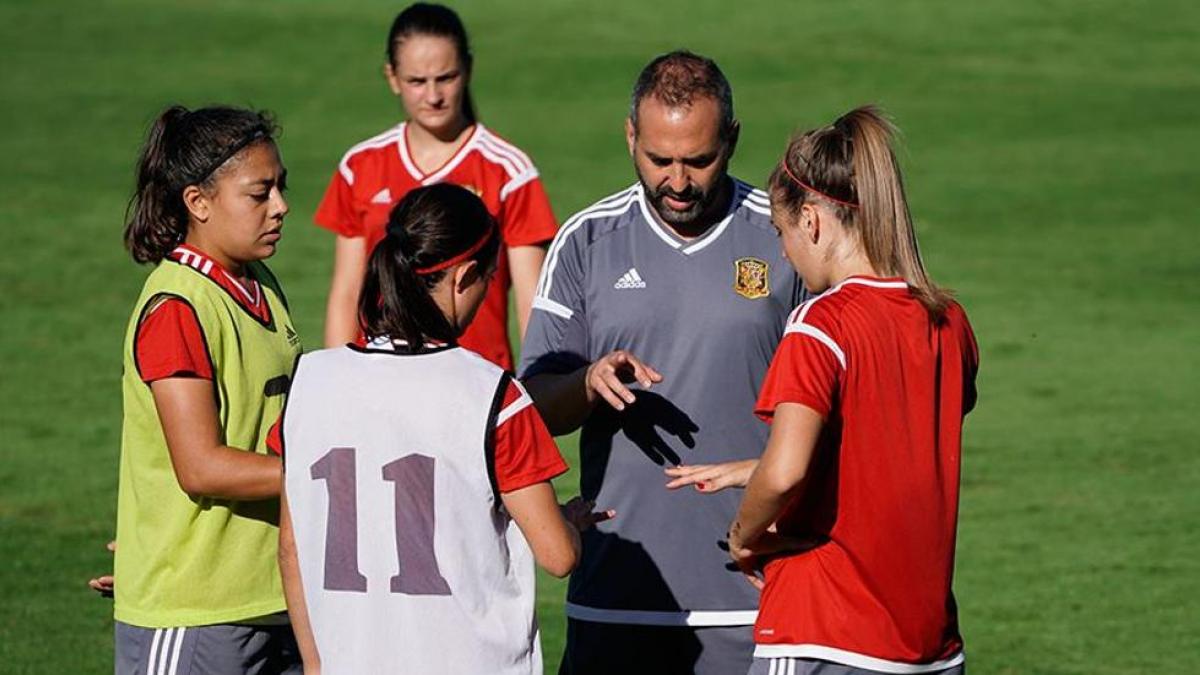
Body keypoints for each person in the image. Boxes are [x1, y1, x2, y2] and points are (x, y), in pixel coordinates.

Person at [519, 51, 805, 674]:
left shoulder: (785, 239)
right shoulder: (586, 241)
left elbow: (837, 407)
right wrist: (587, 383)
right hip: (617, 593)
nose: (678, 181)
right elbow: (534, 408)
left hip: (755, 595)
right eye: (659, 159)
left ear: (732, 140)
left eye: (699, 160)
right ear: (630, 137)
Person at [276, 184, 610, 674]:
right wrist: (568, 527)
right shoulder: (493, 394)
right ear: (466, 276)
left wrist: (314, 663)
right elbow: (557, 556)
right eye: (488, 279)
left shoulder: (309, 383)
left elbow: (292, 546)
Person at [715, 106, 977, 674]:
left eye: (782, 233)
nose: (783, 252)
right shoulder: (949, 321)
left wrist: (744, 535)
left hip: (824, 632)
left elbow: (786, 473)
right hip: (928, 644)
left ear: (811, 220)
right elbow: (891, 442)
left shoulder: (820, 324)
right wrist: (749, 467)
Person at [112, 105, 302, 674]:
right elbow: (202, 467)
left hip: (273, 596)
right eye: (259, 193)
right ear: (198, 202)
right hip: (197, 610)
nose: (281, 206)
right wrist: (331, 472)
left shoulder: (260, 284)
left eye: (281, 187)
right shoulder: (177, 307)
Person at [315, 2, 558, 369]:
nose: (433, 96)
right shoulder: (360, 166)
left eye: (446, 77)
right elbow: (346, 293)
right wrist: (339, 375)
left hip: (476, 382)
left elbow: (531, 305)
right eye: (416, 81)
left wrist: (534, 391)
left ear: (468, 70)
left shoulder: (509, 171)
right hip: (380, 379)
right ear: (392, 77)